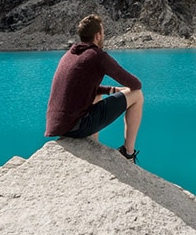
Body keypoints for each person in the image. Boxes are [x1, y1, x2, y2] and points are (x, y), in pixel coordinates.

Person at [45, 14, 144, 162]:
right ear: (97, 35)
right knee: (137, 96)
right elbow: (136, 84)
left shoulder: (70, 54)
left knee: (97, 96)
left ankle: (93, 144)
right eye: (103, 33)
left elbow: (84, 87)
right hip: (76, 127)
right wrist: (124, 90)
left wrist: (113, 90)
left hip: (59, 127)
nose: (104, 36)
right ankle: (128, 153)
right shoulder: (97, 56)